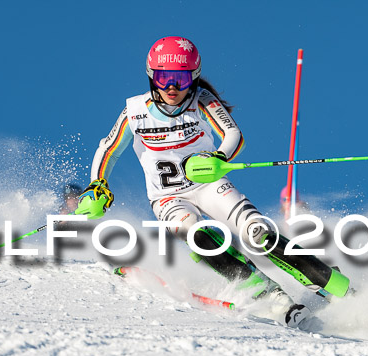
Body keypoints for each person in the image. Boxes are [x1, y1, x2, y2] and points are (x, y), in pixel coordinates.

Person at [76, 36, 349, 327]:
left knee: (258, 233)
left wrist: (219, 158)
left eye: (179, 79)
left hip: (208, 186)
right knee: (198, 237)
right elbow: (108, 149)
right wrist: (97, 185)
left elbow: (234, 135)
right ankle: (272, 297)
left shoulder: (202, 101)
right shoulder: (135, 112)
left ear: (192, 78)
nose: (171, 87)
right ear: (151, 76)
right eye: (163, 77)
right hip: (168, 199)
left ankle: (340, 290)